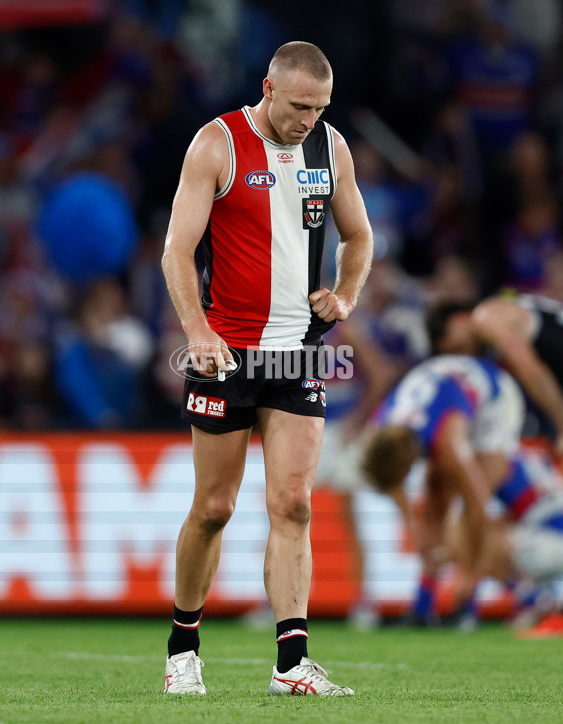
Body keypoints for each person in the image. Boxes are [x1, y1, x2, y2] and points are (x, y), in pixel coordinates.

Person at [161, 41, 373, 696]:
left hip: (295, 351)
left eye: (321, 108)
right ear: (270, 89)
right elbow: (177, 251)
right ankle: (183, 648)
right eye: (301, 106)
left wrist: (345, 294)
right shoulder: (217, 144)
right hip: (225, 350)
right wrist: (195, 330)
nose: (310, 119)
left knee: (294, 503)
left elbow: (359, 238)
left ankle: (289, 665)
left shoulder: (331, 149)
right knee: (215, 508)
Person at [361, 354, 563, 629]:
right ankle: (423, 607)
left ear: (412, 457)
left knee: (460, 520)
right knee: (434, 504)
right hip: (453, 389)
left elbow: (477, 507)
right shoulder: (382, 433)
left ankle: (467, 602)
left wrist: (468, 576)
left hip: (495, 398)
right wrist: (412, 524)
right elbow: (390, 478)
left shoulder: (448, 441)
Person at [426, 294, 563, 453]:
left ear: (455, 320)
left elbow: (532, 371)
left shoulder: (485, 318)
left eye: (456, 349)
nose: (464, 355)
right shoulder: (501, 309)